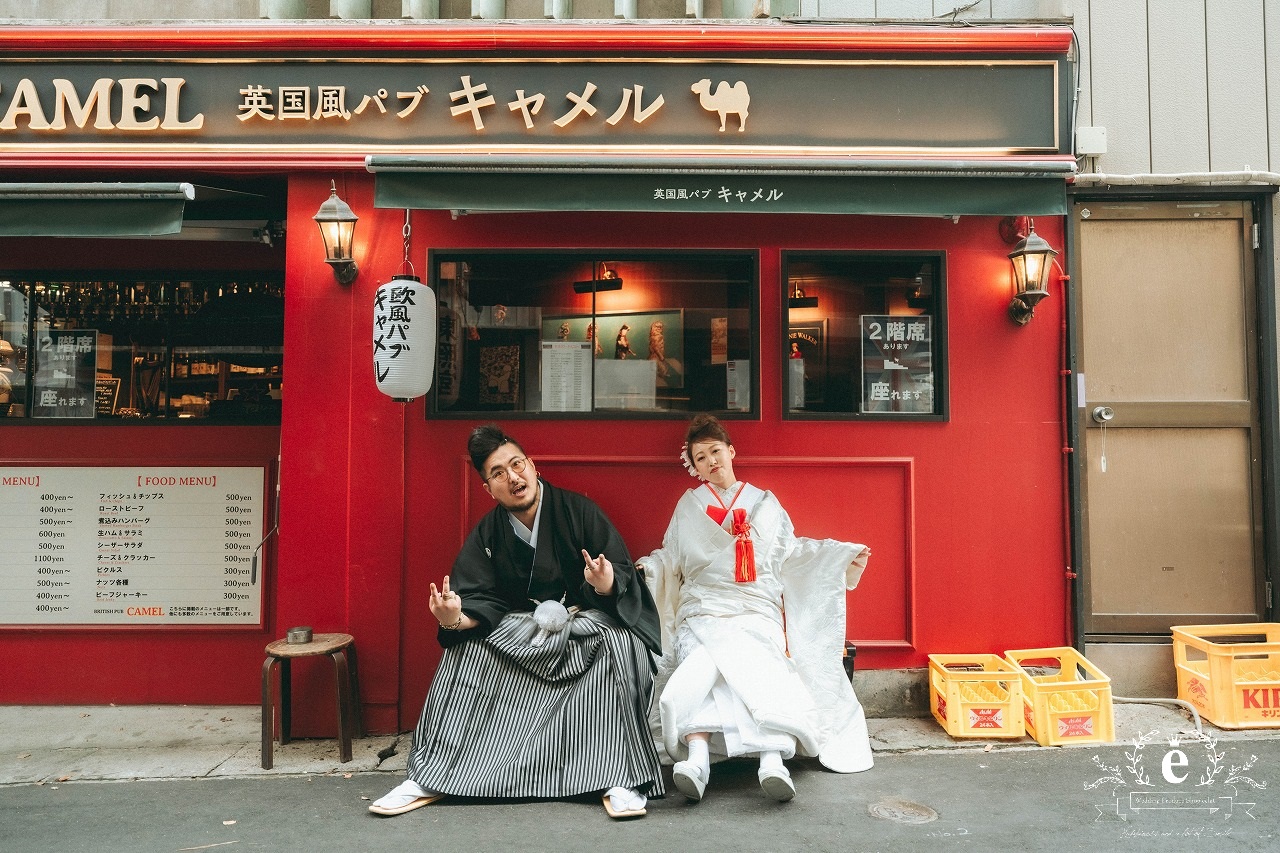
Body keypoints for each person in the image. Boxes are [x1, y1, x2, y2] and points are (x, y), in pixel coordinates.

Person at [370, 424, 664, 820]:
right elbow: (477, 598)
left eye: (517, 464)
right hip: (523, 633)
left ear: (533, 466)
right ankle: (433, 775)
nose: (513, 477)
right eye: (498, 473)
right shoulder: (488, 533)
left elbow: (623, 576)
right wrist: (456, 618)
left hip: (585, 628)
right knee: (464, 651)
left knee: (621, 647)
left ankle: (619, 777)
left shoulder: (579, 511)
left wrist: (605, 582)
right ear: (488, 489)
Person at [637, 414, 872, 804]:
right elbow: (672, 558)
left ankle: (770, 762)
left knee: (761, 670)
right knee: (703, 668)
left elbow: (791, 554)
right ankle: (697, 760)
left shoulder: (764, 503)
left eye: (716, 451)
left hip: (753, 610)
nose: (711, 461)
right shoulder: (688, 507)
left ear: (731, 451)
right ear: (693, 468)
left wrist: (838, 556)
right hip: (704, 609)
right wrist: (650, 567)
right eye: (700, 457)